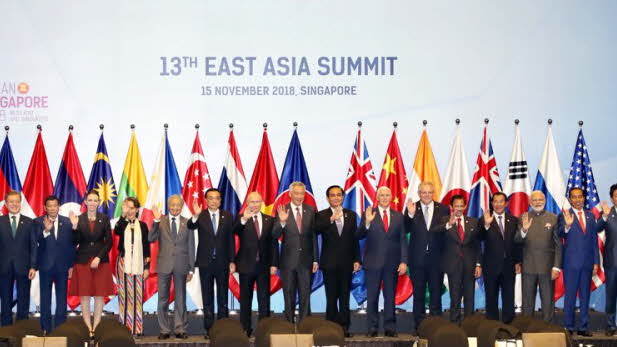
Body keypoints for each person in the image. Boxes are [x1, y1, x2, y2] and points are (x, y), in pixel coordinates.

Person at [357, 186, 408, 337]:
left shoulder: (399, 216)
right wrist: (366, 222)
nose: (385, 198)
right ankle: (372, 328)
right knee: (372, 296)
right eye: (382, 195)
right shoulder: (369, 213)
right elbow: (359, 235)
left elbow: (403, 240)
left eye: (387, 195)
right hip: (373, 263)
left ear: (391, 197)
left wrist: (404, 261)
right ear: (377, 198)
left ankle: (390, 327)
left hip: (392, 263)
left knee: (390, 296)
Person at [188, 188, 235, 339]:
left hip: (222, 262)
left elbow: (230, 240)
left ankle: (222, 328)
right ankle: (209, 329)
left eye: (217, 198)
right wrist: (195, 215)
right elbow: (190, 226)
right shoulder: (200, 215)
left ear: (220, 200)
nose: (214, 201)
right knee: (207, 298)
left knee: (223, 297)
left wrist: (232, 260)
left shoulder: (227, 216)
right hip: (205, 263)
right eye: (211, 198)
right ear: (206, 200)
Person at [68, 189, 114, 338]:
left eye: (96, 200)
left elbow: (109, 242)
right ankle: (88, 327)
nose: (93, 203)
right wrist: (74, 227)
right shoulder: (79, 219)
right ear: (86, 202)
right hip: (82, 261)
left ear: (99, 202)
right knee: (85, 295)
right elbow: (74, 242)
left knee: (100, 295)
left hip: (101, 261)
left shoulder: (105, 218)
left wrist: (99, 257)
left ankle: (97, 325)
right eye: (90, 200)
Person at [315, 185, 360, 337]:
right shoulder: (322, 215)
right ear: (328, 198)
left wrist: (357, 259)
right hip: (329, 263)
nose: (336, 197)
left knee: (345, 297)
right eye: (332, 195)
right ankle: (331, 328)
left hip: (347, 263)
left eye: (338, 195)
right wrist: (331, 219)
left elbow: (354, 239)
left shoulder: (351, 215)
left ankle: (344, 328)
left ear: (342, 197)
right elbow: (315, 229)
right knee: (331, 297)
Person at [233, 192, 279, 337]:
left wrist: (274, 264)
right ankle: (245, 328)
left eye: (257, 201)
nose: (255, 204)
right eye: (252, 202)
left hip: (264, 266)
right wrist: (244, 219)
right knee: (245, 299)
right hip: (246, 265)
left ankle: (263, 329)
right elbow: (234, 231)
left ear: (262, 203)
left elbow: (273, 244)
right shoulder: (241, 218)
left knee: (264, 299)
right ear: (247, 202)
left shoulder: (269, 220)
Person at [404, 181, 449, 329]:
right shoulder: (412, 208)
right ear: (419, 193)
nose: (427, 195)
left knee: (436, 294)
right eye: (424, 192)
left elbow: (444, 231)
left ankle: (436, 327)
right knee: (419, 295)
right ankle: (420, 327)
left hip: (437, 259)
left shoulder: (443, 209)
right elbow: (404, 229)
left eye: (430, 192)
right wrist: (410, 215)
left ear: (433, 193)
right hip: (417, 260)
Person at [149, 195, 195, 340]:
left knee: (180, 298)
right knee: (162, 298)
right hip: (164, 265)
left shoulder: (187, 223)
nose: (175, 208)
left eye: (178, 205)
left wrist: (191, 268)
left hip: (182, 265)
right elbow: (151, 238)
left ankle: (180, 328)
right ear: (168, 206)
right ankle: (164, 329)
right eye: (173, 205)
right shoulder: (160, 221)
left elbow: (191, 246)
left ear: (181, 207)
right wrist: (155, 220)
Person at [273, 182, 319, 324]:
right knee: (288, 294)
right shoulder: (282, 210)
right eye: (296, 193)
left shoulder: (311, 210)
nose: (299, 196)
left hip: (306, 260)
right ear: (290, 194)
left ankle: (305, 324)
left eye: (302, 193)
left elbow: (313, 237)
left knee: (305, 294)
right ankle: (288, 323)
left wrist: (315, 260)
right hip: (288, 261)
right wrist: (281, 222)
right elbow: (274, 235)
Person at [557, 187, 600, 336]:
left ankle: (583, 327)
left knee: (585, 297)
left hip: (588, 264)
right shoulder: (564, 215)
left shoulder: (590, 216)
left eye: (579, 197)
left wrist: (596, 262)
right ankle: (568, 326)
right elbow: (559, 232)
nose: (577, 200)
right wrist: (568, 225)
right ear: (569, 199)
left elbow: (594, 241)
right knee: (569, 296)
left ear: (583, 198)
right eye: (574, 197)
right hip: (571, 264)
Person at [514, 190, 561, 323]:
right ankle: (527, 328)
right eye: (534, 200)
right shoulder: (523, 217)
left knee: (547, 301)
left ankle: (548, 328)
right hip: (528, 266)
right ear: (530, 202)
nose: (537, 202)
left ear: (545, 201)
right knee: (527, 301)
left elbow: (558, 245)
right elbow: (516, 241)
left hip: (547, 267)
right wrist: (524, 230)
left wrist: (556, 267)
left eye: (540, 199)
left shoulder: (553, 218)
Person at [35, 195, 76, 333]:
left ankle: (60, 329)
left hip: (63, 267)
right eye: (49, 206)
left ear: (59, 206)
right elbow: (35, 242)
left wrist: (71, 266)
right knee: (45, 300)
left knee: (61, 300)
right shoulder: (38, 221)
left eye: (55, 205)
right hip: (45, 266)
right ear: (45, 208)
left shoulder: (68, 222)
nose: (52, 208)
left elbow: (72, 245)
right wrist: (46, 231)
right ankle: (45, 329)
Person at [439, 194, 482, 324]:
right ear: (451, 207)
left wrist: (478, 264)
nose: (458, 208)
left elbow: (477, 245)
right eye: (456, 206)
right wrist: (448, 225)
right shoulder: (444, 220)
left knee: (470, 297)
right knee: (455, 297)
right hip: (453, 265)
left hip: (470, 265)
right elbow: (436, 234)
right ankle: (454, 324)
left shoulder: (473, 221)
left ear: (465, 206)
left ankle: (469, 324)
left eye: (461, 206)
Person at [479, 192, 521, 323]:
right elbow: (478, 238)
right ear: (492, 203)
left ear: (506, 203)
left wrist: (518, 261)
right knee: (491, 298)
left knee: (508, 297)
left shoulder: (513, 220)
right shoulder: (485, 219)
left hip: (509, 266)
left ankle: (509, 326)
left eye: (501, 201)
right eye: (495, 201)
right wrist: (486, 225)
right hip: (490, 266)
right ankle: (492, 326)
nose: (498, 204)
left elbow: (517, 243)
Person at [114, 197, 150, 336]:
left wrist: (147, 267)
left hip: (139, 263)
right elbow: (117, 231)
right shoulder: (122, 224)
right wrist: (122, 215)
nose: (129, 210)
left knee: (137, 295)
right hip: (123, 262)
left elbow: (146, 247)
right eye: (127, 207)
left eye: (132, 208)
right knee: (124, 295)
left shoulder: (143, 225)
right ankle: (125, 328)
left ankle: (137, 328)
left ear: (137, 209)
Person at [0, 191, 36, 326]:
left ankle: (22, 329)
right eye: (11, 202)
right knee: (5, 300)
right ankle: (6, 331)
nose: (14, 204)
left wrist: (33, 266)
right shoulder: (0, 221)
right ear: (6, 204)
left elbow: (33, 246)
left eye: (17, 201)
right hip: (3, 267)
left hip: (24, 267)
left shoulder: (29, 222)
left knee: (23, 299)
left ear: (20, 202)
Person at [599, 185, 617, 336]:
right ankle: (611, 325)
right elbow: (596, 228)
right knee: (611, 295)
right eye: (616, 196)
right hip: (613, 262)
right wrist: (604, 216)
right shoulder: (607, 213)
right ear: (612, 198)